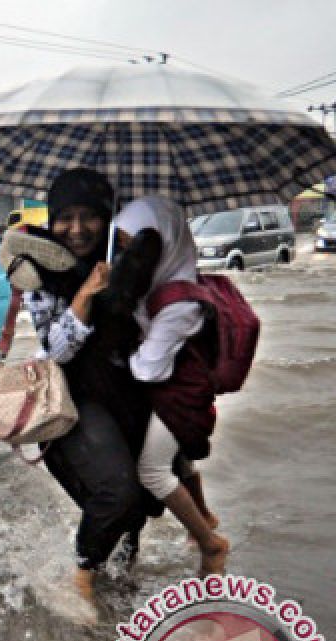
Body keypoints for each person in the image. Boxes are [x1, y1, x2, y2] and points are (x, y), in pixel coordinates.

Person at [21, 168, 153, 616]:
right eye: (65, 218)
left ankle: (120, 601)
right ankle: (78, 579)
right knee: (118, 494)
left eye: (89, 217)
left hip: (129, 398)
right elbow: (55, 351)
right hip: (72, 405)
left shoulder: (132, 259)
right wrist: (88, 293)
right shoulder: (38, 271)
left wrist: (130, 278)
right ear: (52, 220)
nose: (76, 229)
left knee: (135, 515)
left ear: (107, 218)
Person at [114, 196, 230, 576]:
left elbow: (149, 371)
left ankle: (211, 546)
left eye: (140, 248)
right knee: (178, 458)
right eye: (125, 246)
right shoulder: (158, 280)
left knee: (153, 470)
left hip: (181, 392)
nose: (131, 255)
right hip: (174, 384)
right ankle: (205, 519)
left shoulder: (180, 300)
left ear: (166, 242)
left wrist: (124, 355)